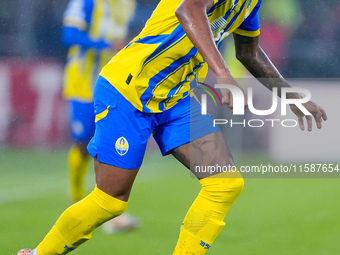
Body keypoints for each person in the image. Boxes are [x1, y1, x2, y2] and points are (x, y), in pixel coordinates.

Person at [17, 0, 327, 254]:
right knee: (109, 202)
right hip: (130, 90)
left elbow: (249, 52)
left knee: (225, 184)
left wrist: (292, 97)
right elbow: (188, 9)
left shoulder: (251, 5)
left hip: (175, 98)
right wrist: (223, 75)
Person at [61, 0, 138, 233]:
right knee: (83, 144)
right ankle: (76, 203)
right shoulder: (86, 2)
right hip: (84, 82)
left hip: (114, 83)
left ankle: (107, 212)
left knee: (109, 144)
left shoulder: (127, 4)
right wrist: (103, 44)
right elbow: (69, 35)